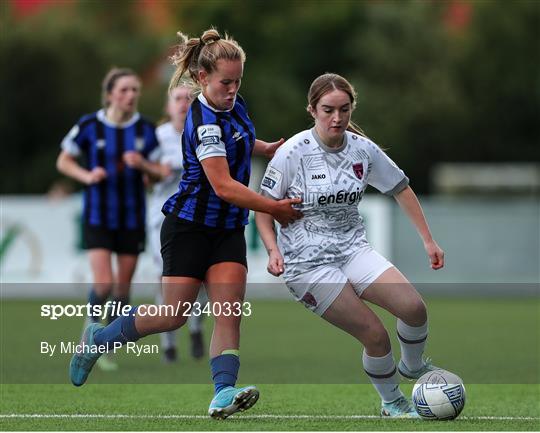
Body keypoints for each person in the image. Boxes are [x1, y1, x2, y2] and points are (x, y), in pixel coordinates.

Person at [69, 28, 302, 419]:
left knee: (229, 312)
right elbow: (224, 185)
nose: (233, 89)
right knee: (173, 315)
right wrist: (274, 208)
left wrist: (264, 147)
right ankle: (100, 339)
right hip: (188, 228)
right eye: (226, 82)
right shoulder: (203, 120)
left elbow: (241, 136)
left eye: (238, 81)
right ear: (202, 78)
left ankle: (223, 393)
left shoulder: (234, 104)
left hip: (227, 229)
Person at [255, 73, 445, 418]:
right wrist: (273, 250)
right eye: (328, 109)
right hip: (307, 264)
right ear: (312, 109)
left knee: (414, 308)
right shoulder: (291, 153)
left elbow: (400, 187)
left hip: (352, 249)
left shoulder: (362, 149)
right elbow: (263, 210)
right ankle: (393, 403)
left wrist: (428, 240)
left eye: (344, 109)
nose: (337, 118)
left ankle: (413, 367)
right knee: (375, 335)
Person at [57, 67, 164, 370]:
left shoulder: (145, 130)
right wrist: (86, 175)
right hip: (98, 215)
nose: (131, 96)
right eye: (124, 90)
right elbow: (63, 160)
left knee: (122, 288)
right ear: (109, 95)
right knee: (103, 283)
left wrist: (143, 165)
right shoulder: (90, 126)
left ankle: (106, 343)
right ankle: (89, 334)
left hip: (131, 217)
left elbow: (160, 174)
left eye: (135, 91)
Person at [149, 81, 208, 362]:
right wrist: (153, 171)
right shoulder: (157, 137)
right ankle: (168, 345)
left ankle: (196, 329)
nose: (183, 103)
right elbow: (142, 175)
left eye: (188, 98)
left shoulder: (204, 132)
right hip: (162, 220)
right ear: (167, 105)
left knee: (203, 281)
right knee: (167, 282)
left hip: (199, 217)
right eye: (178, 98)